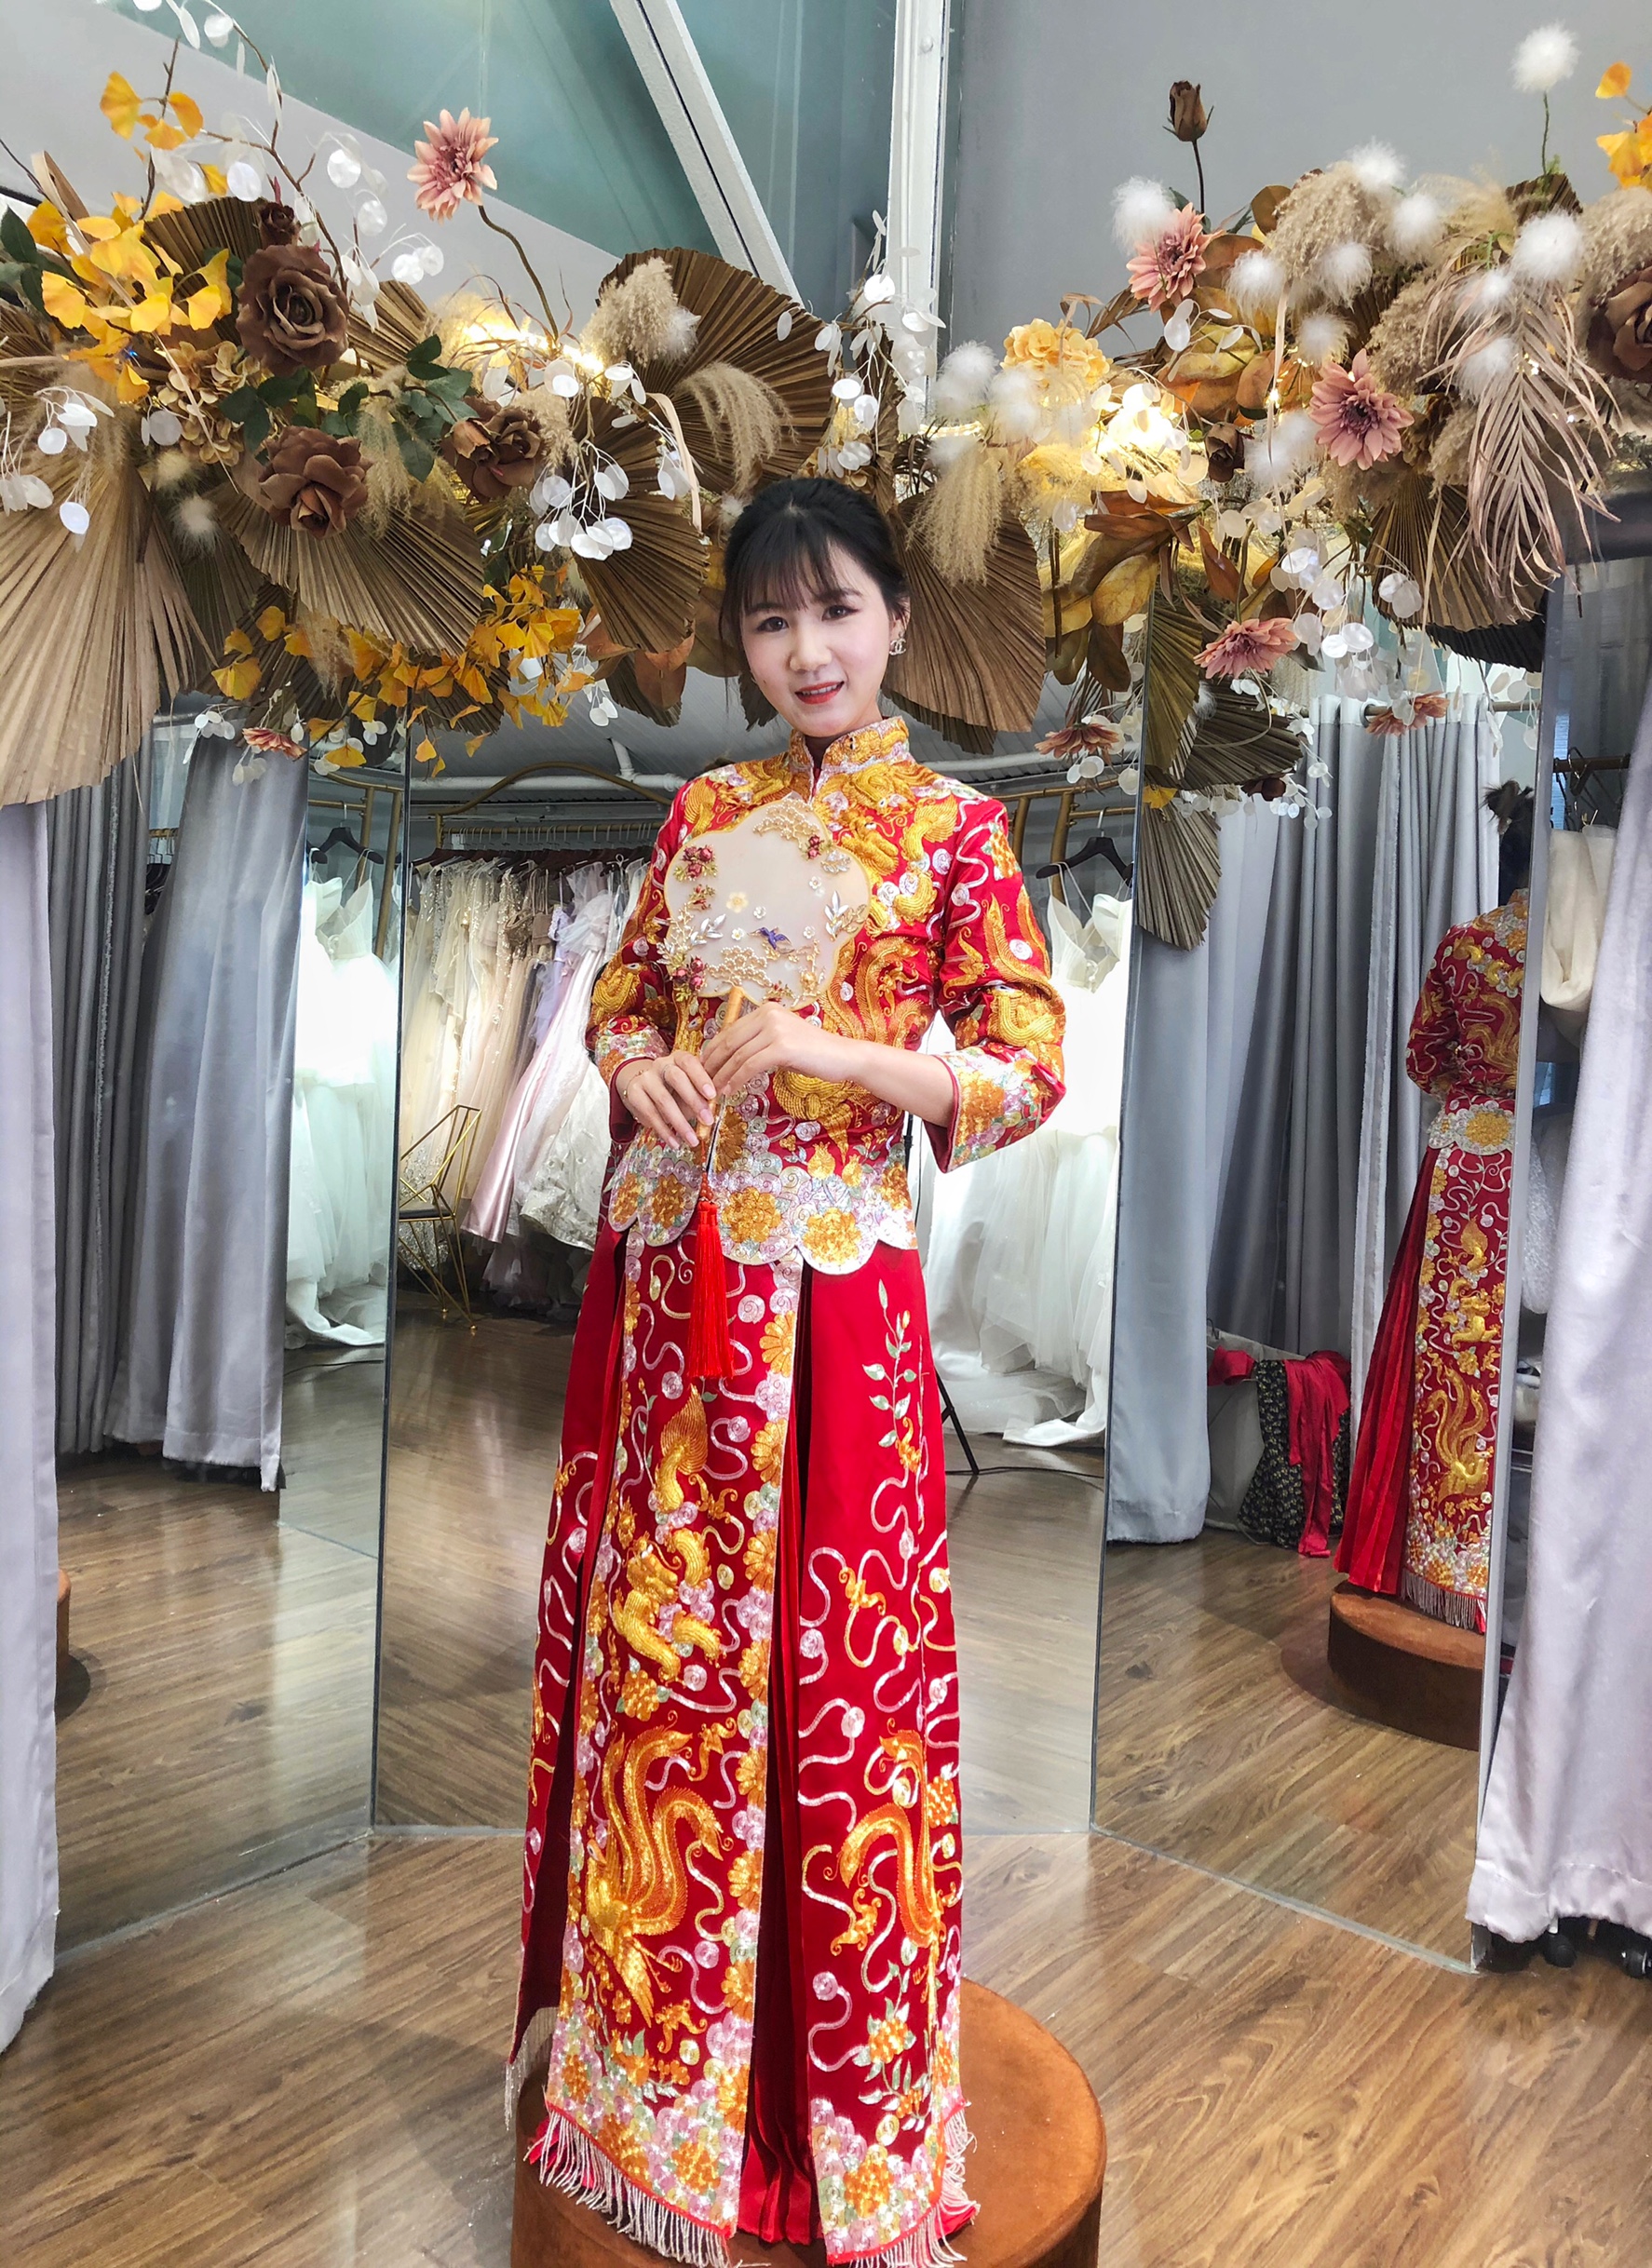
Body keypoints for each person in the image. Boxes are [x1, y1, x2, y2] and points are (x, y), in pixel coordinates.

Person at [506, 477, 1065, 2265]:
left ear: (893, 616)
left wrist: (840, 1051)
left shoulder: (959, 835)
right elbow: (624, 1001)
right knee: (668, 1669)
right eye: (768, 621)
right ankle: (649, 2084)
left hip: (836, 1316)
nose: (804, 650)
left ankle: (823, 2117)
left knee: (839, 1687)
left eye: (832, 610)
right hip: (680, 1312)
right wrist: (639, 1067)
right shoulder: (702, 812)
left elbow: (1024, 1068)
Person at [1336, 785, 1534, 1631]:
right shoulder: (1583, 947)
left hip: (1466, 1162)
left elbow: (1423, 1061)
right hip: (1552, 1150)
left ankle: (1439, 1563)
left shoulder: (1467, 943)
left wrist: (1477, 1088)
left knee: (1449, 1357)